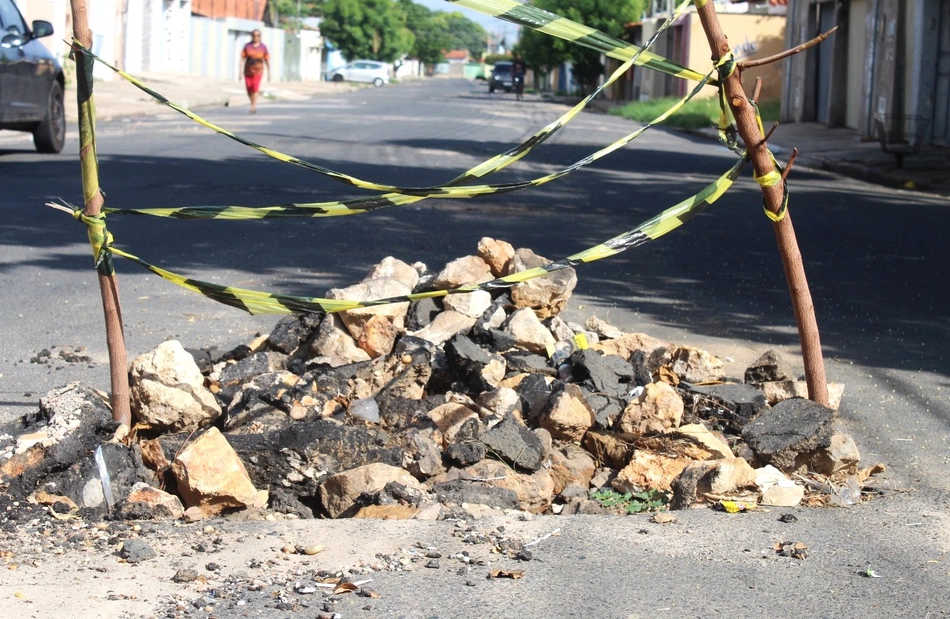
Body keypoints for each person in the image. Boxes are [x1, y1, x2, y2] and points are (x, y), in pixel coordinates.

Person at [241, 30, 270, 113]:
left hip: (258, 71)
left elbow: (267, 60)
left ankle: (253, 106)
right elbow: (242, 59)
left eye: (258, 35)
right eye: (254, 35)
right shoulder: (247, 46)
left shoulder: (263, 47)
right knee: (249, 88)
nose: (256, 37)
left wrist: (269, 73)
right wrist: (240, 72)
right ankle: (252, 102)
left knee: (255, 87)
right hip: (248, 70)